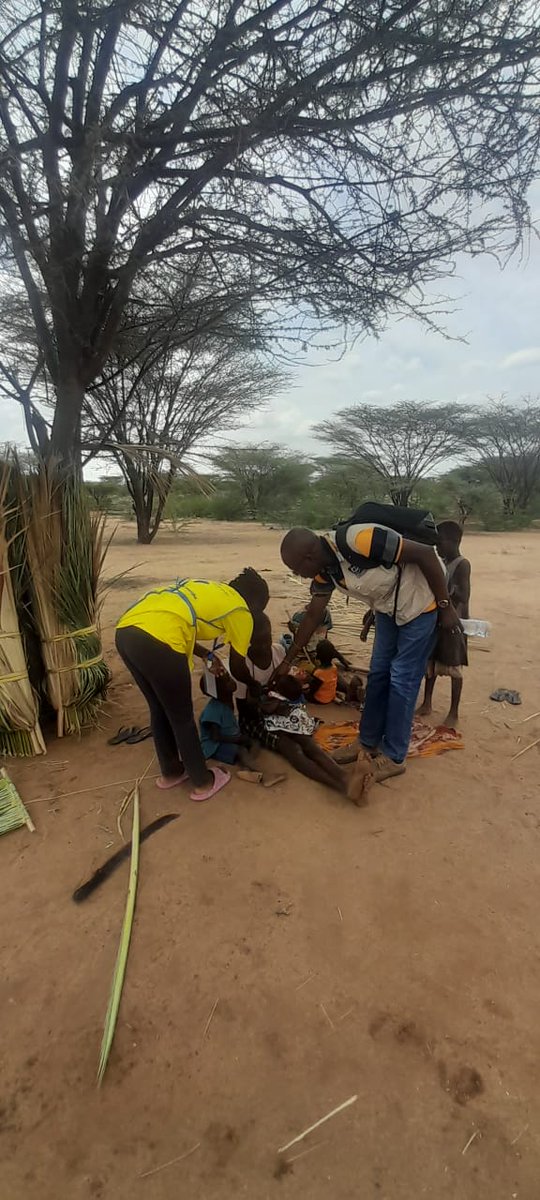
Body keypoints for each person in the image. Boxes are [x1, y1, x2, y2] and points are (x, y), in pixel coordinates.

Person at [279, 520, 460, 798]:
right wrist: (287, 660)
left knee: (401, 678)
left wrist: (445, 606)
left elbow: (425, 554)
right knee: (378, 673)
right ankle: (367, 741)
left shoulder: (359, 539)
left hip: (423, 604)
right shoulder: (325, 572)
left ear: (309, 557)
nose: (297, 575)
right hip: (389, 608)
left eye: (295, 569)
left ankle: (394, 756)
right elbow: (313, 616)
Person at [115, 569, 268, 801]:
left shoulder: (212, 589)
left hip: (126, 631)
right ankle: (202, 781)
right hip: (159, 638)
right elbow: (238, 667)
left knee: (159, 708)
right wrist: (253, 684)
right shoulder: (241, 611)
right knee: (182, 718)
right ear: (255, 603)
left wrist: (208, 655)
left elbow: (181, 621)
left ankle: (171, 772)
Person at [231, 612, 347, 794]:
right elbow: (244, 710)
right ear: (247, 641)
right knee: (292, 749)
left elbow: (287, 687)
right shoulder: (241, 666)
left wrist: (294, 689)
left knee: (307, 742)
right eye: (258, 642)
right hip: (256, 719)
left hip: (280, 711)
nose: (264, 646)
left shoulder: (277, 651)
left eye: (266, 639)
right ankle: (340, 787)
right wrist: (265, 706)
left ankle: (344, 777)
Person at [418, 521, 471, 727]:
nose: (437, 547)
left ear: (452, 541)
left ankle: (454, 713)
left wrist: (446, 592)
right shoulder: (441, 561)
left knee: (453, 667)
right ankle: (427, 702)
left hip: (454, 624)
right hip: (438, 620)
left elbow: (464, 596)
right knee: (431, 663)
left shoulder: (461, 564)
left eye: (439, 543)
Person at [199, 674, 259, 770]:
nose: (232, 680)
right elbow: (215, 737)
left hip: (228, 739)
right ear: (218, 691)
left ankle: (249, 762)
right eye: (228, 680)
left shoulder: (226, 701)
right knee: (241, 750)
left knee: (252, 742)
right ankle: (254, 771)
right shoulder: (214, 709)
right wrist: (236, 739)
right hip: (214, 747)